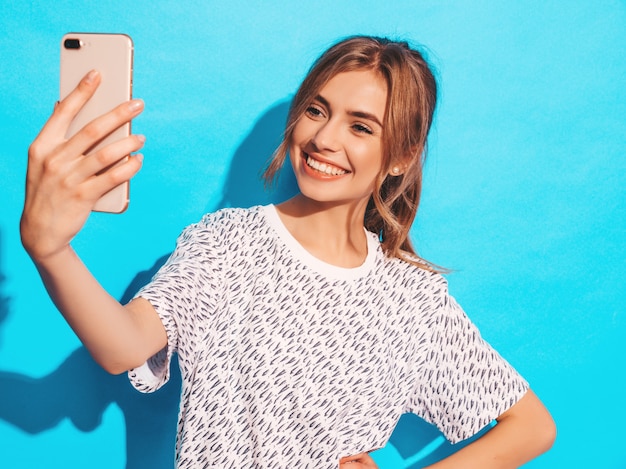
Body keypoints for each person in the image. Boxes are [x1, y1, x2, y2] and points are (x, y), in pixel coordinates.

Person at [21, 36, 556, 468]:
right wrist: (50, 249)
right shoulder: (226, 243)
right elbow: (124, 347)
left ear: (401, 156)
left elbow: (532, 428)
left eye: (361, 126)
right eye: (317, 110)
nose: (325, 138)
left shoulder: (412, 299)